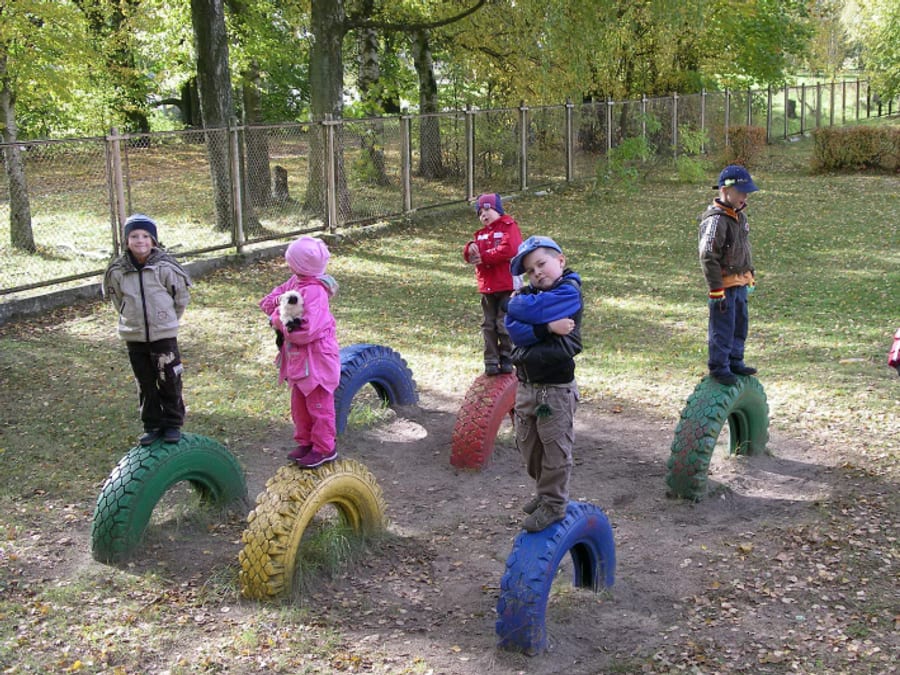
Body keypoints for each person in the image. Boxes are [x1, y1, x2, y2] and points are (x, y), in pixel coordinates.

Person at [504, 236, 583, 532]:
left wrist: (523, 313)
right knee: (528, 445)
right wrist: (547, 326)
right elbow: (512, 326)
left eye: (541, 264)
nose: (537, 273)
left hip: (555, 388)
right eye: (529, 270)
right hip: (526, 384)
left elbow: (520, 312)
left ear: (560, 261)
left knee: (554, 448)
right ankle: (544, 492)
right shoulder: (530, 296)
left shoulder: (569, 291)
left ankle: (554, 503)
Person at [102, 214, 192, 446]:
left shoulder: (165, 268)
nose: (139, 241)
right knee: (145, 382)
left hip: (163, 334)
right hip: (135, 335)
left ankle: (172, 423)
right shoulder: (117, 271)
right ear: (126, 240)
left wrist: (168, 319)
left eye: (145, 236)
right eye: (134, 236)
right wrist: (132, 318)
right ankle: (152, 425)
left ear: (153, 240)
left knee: (169, 378)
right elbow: (117, 299)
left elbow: (180, 297)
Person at [260, 236, 341, 468]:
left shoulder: (315, 292)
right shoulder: (296, 283)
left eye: (291, 261)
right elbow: (269, 301)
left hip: (317, 362)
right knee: (300, 406)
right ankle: (306, 441)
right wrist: (278, 303)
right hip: (299, 361)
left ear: (301, 265)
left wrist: (277, 318)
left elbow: (304, 332)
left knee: (318, 405)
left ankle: (325, 447)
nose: (289, 265)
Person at [698, 165, 760, 386]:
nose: (745, 197)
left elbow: (743, 247)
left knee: (739, 325)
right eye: (741, 192)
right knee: (723, 327)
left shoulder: (739, 217)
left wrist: (749, 271)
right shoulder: (716, 220)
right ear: (725, 190)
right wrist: (716, 289)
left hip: (740, 282)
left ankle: (735, 360)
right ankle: (719, 366)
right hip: (723, 286)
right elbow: (707, 255)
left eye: (747, 193)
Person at [463, 193, 523, 375]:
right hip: (487, 286)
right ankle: (490, 358)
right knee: (488, 324)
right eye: (480, 212)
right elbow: (471, 256)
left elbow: (510, 248)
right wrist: (469, 249)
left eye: (487, 209)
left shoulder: (508, 226)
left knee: (503, 321)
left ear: (498, 209)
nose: (484, 215)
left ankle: (507, 356)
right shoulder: (479, 235)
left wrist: (485, 257)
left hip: (506, 284)